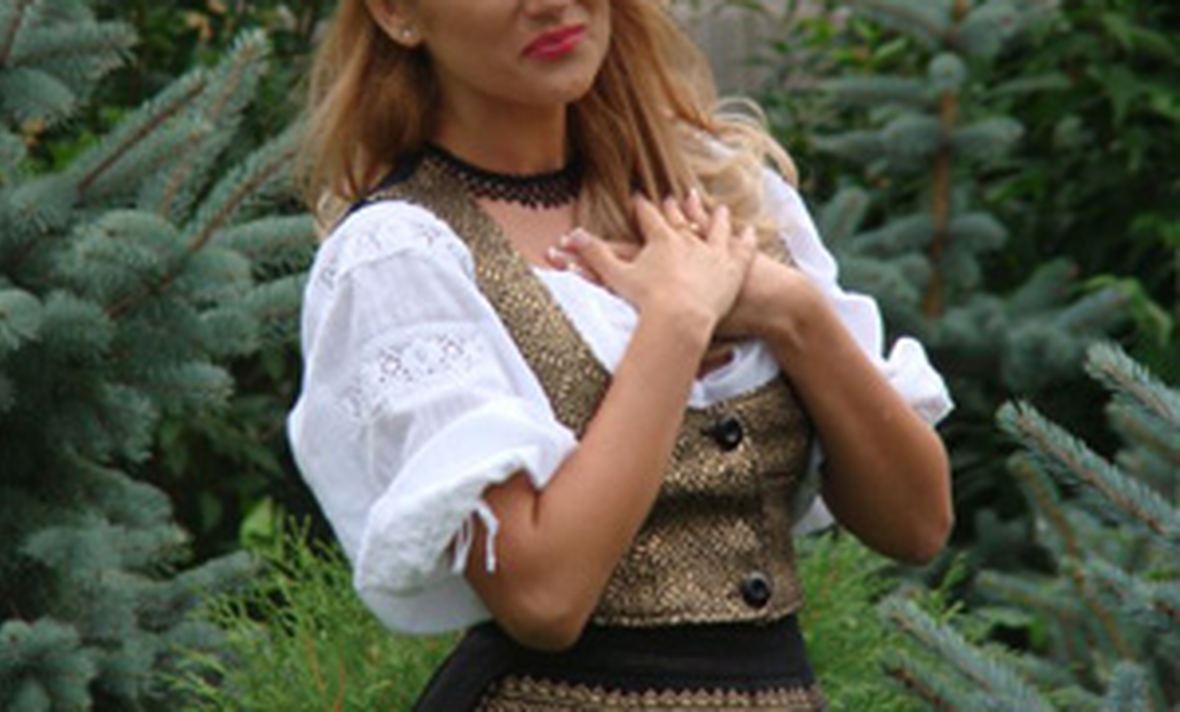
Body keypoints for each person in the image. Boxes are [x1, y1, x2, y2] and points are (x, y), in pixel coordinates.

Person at [287, 0, 954, 708]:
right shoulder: (402, 255)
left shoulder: (722, 189)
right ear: (397, 13)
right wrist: (677, 322)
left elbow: (917, 524)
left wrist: (794, 313)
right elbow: (544, 600)